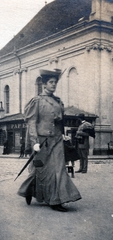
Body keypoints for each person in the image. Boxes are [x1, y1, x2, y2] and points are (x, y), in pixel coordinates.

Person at [17, 69, 81, 212]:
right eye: (51, 82)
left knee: (58, 169)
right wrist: (34, 142)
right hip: (42, 141)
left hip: (57, 140)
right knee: (40, 170)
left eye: (55, 82)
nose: (54, 85)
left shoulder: (58, 101)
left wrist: (63, 134)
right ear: (44, 84)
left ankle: (56, 200)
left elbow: (60, 122)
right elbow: (32, 123)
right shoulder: (37, 101)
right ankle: (29, 190)